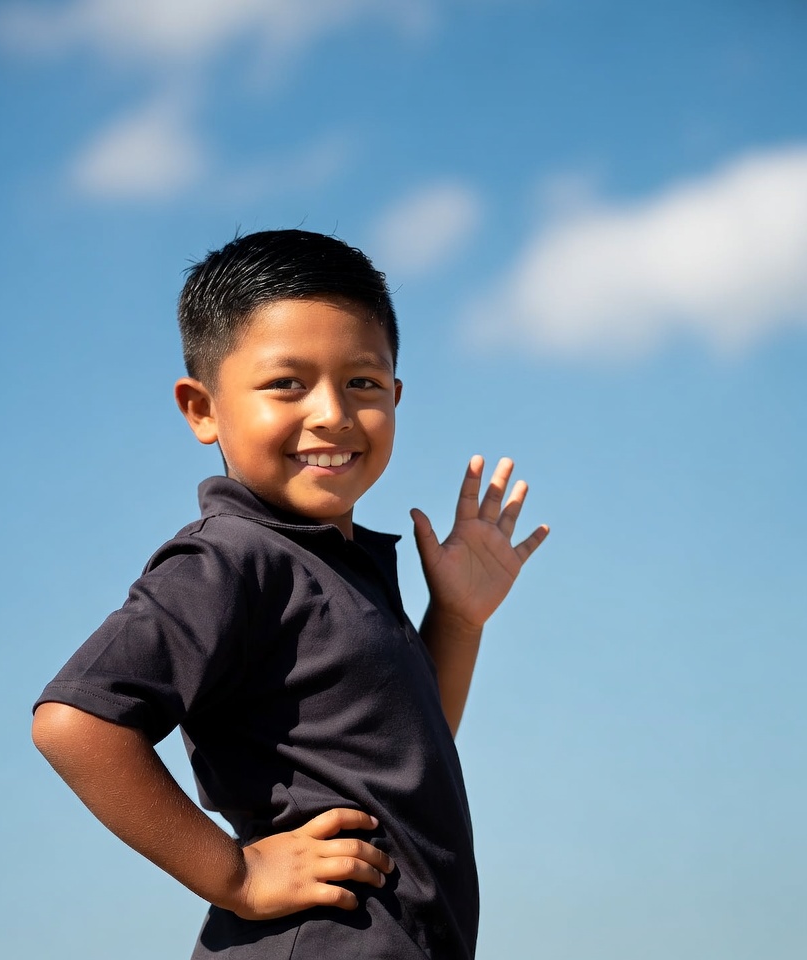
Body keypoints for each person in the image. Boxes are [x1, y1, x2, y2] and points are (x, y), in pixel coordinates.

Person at [32, 229, 548, 959]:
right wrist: (237, 875)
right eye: (287, 384)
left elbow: (401, 757)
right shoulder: (230, 558)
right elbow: (75, 722)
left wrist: (458, 619)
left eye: (363, 383)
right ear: (202, 408)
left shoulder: (339, 566)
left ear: (397, 395)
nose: (332, 413)